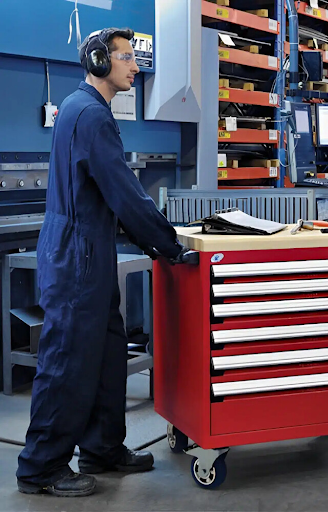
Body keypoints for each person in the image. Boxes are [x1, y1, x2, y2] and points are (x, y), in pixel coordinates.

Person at [16, 27, 187, 497]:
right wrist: (169, 246)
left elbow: (113, 197)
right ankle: (40, 467)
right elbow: (125, 195)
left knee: (109, 354)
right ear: (98, 61)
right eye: (128, 58)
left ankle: (102, 448)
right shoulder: (90, 115)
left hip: (87, 251)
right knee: (68, 362)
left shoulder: (85, 110)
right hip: (78, 258)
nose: (136, 67)